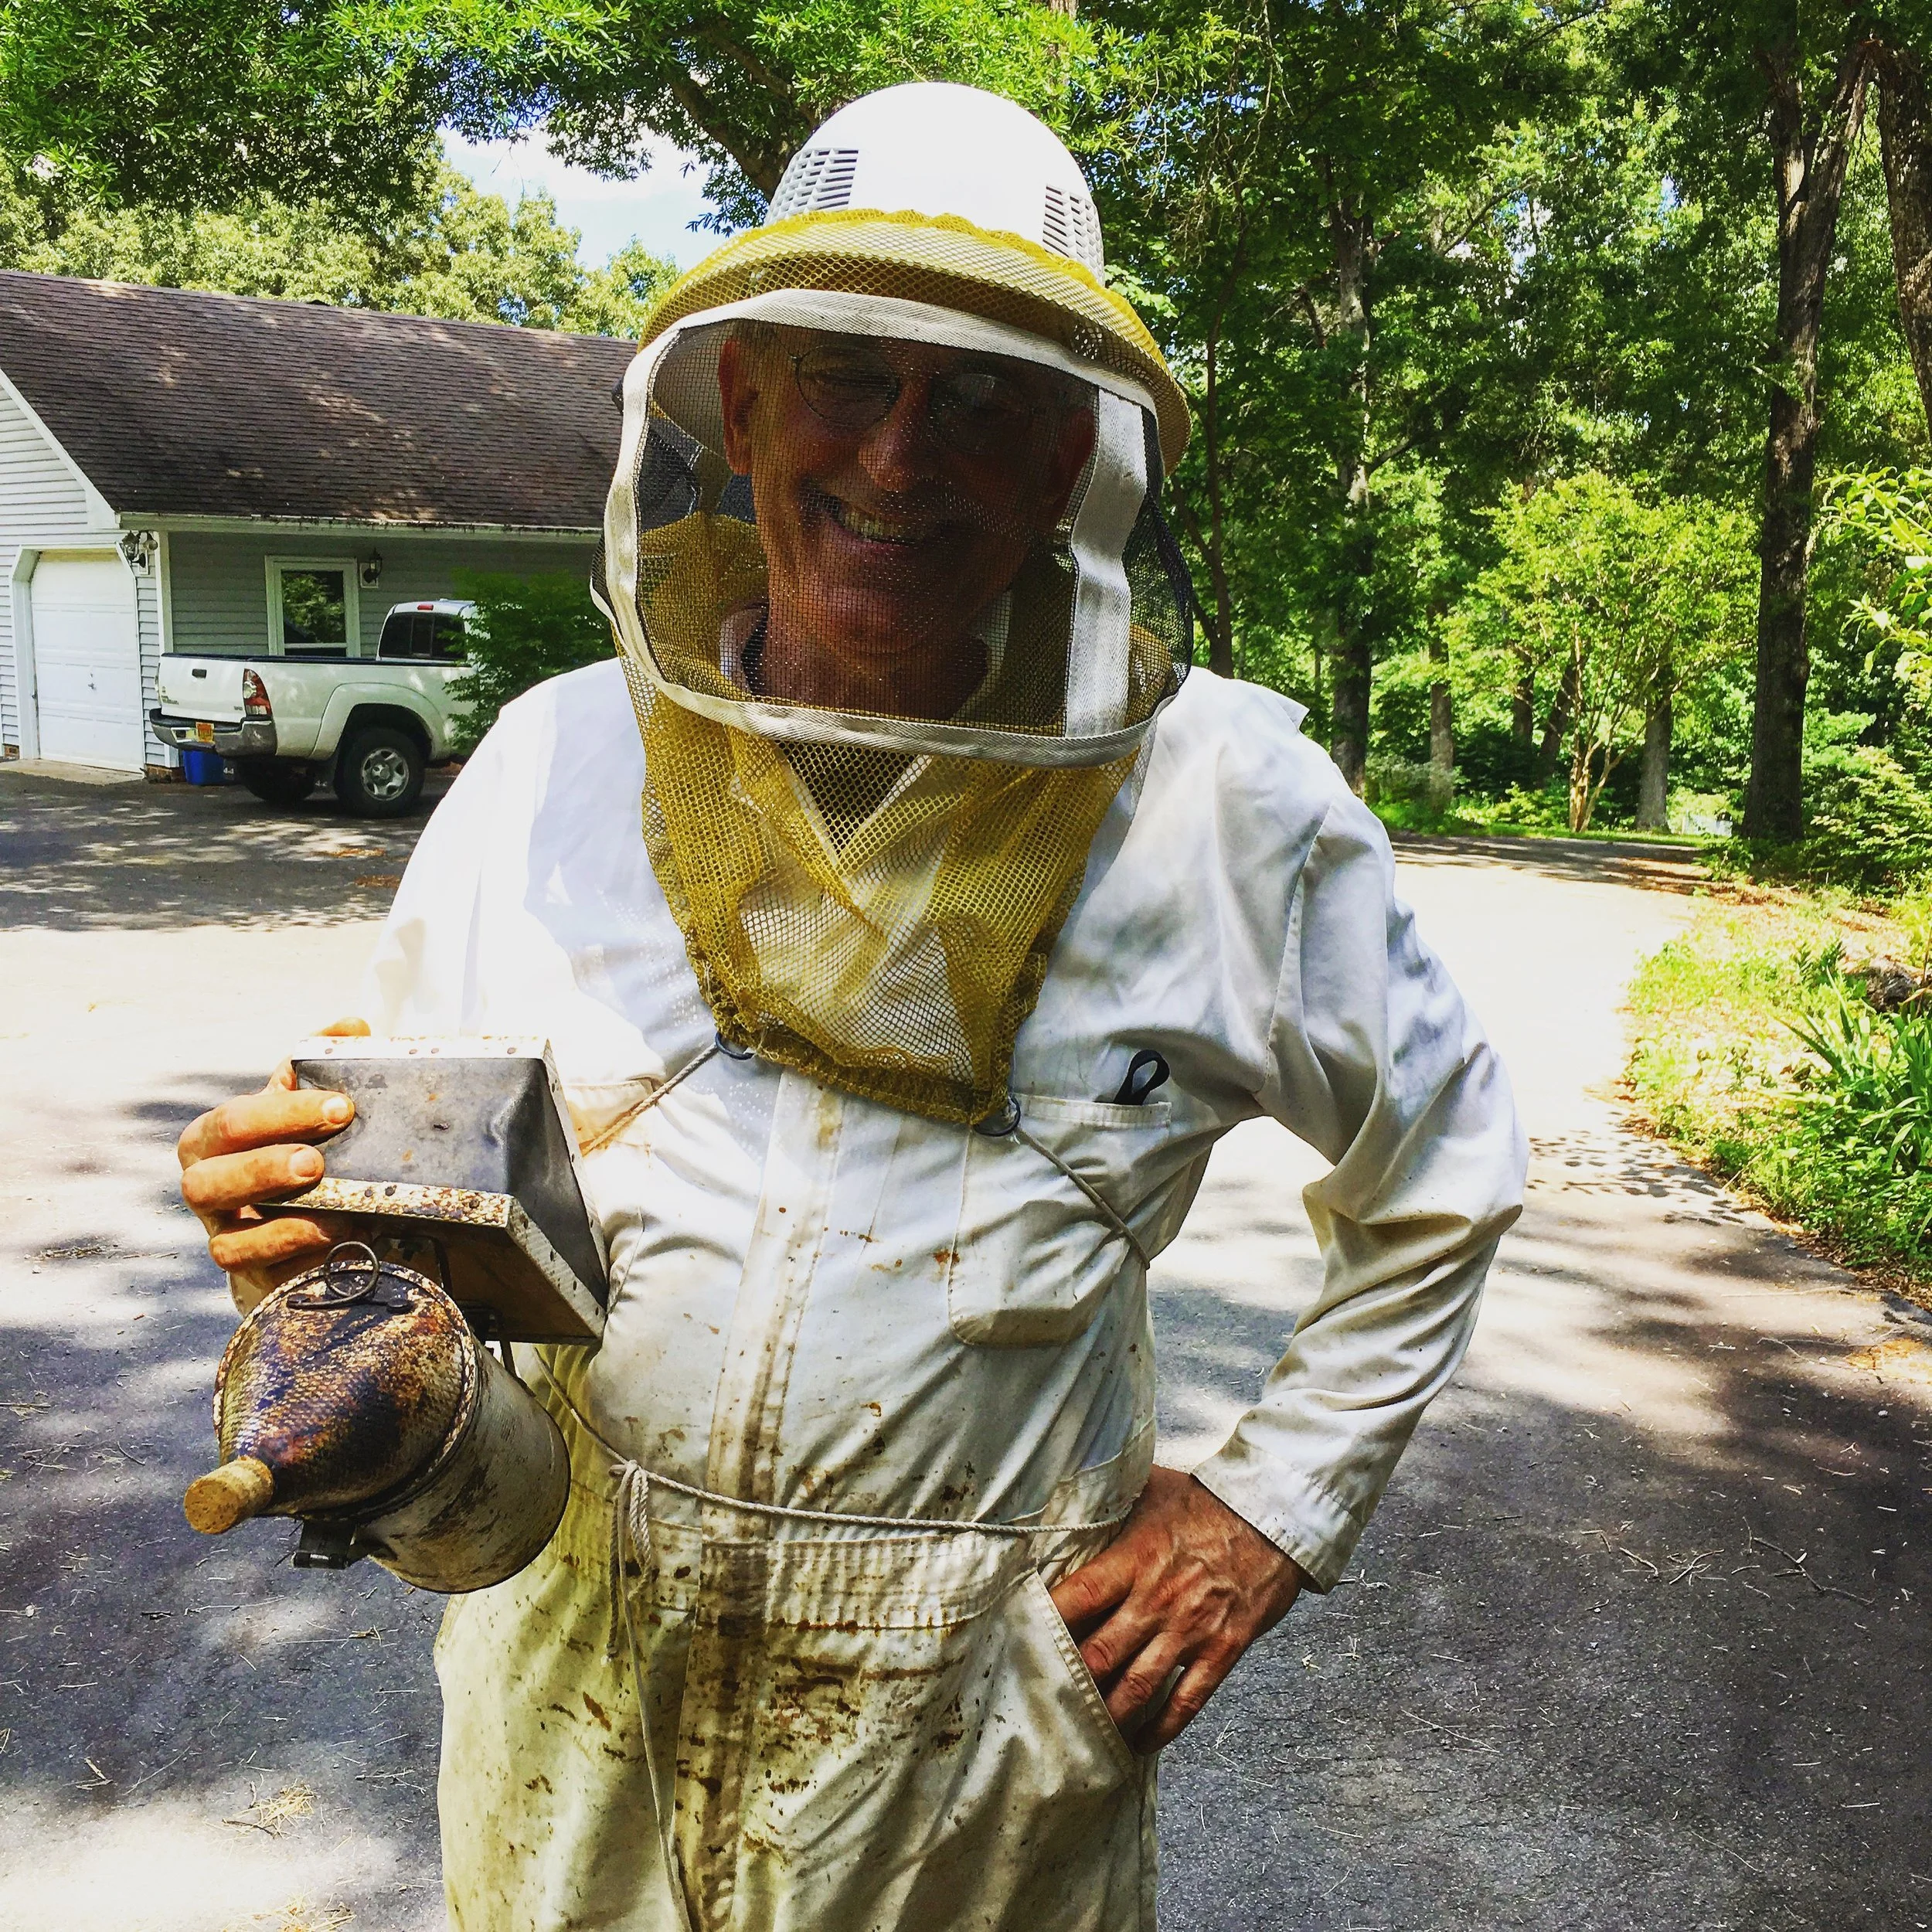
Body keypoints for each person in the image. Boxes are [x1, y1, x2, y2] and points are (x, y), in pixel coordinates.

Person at [176, 81, 1526, 1932]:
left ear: (1071, 461)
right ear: (738, 405)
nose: (900, 456)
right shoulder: (544, 762)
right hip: (576, 1700)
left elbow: (1444, 1166)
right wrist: (312, 1268)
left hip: (974, 1747)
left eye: (982, 396)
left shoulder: (1232, 806)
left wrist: (1273, 1508)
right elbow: (431, 1259)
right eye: (847, 374)